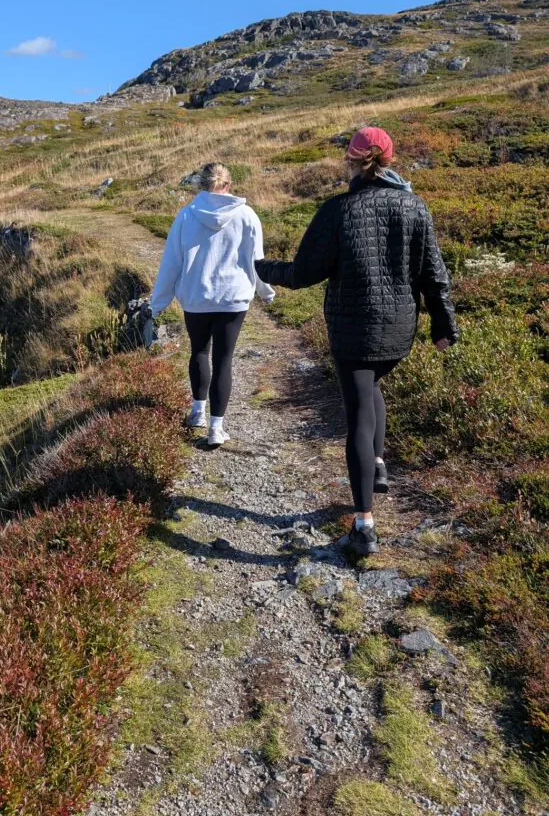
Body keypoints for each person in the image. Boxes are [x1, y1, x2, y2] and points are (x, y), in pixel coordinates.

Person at [255, 127, 458, 555]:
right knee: (371, 392)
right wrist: (443, 326)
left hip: (352, 328)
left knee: (359, 414)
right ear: (390, 158)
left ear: (351, 160)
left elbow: (304, 272)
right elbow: (433, 274)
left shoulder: (338, 210)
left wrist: (261, 268)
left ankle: (364, 525)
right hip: (399, 327)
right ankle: (378, 466)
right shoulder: (414, 205)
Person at [150, 162, 275, 447]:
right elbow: (256, 261)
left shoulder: (186, 216)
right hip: (233, 298)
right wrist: (265, 292)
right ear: (229, 185)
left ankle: (197, 413)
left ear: (201, 186)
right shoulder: (247, 215)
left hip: (196, 296)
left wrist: (159, 302)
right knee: (223, 360)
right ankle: (216, 428)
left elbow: (171, 263)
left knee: (199, 351)